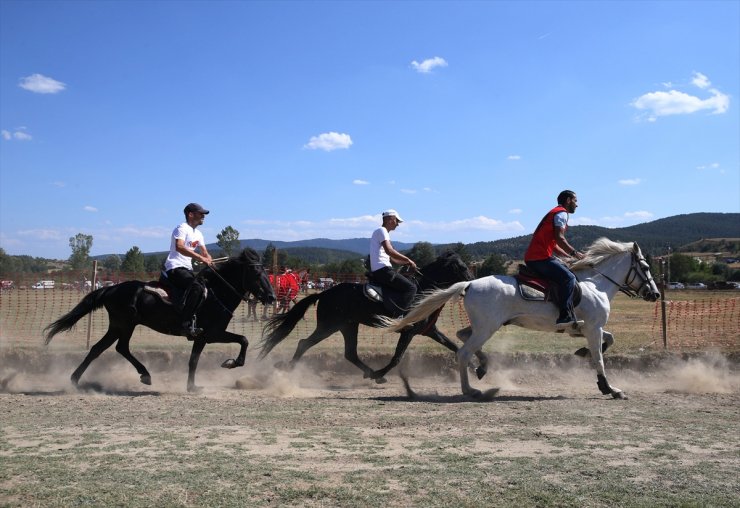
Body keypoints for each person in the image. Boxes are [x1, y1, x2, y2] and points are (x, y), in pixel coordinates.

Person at [524, 190, 586, 329]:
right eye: (575, 201)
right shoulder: (562, 213)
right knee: (569, 278)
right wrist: (575, 253)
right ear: (569, 200)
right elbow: (560, 237)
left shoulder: (554, 212)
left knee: (566, 272)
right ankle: (565, 316)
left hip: (535, 257)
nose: (577, 205)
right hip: (539, 258)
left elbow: (555, 244)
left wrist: (568, 256)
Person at [164, 202, 213, 337]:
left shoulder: (198, 234)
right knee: (197, 287)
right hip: (175, 267)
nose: (203, 216)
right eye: (200, 213)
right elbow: (179, 247)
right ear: (190, 214)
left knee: (205, 287)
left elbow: (205, 252)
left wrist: (208, 259)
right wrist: (199, 257)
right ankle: (185, 324)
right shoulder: (181, 228)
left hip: (187, 269)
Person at [369, 209, 418, 317]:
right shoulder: (382, 231)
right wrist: (408, 260)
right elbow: (390, 251)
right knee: (411, 288)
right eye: (397, 221)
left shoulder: (382, 232)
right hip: (383, 270)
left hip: (381, 269)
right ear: (390, 220)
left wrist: (406, 264)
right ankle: (398, 317)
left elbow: (392, 259)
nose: (398, 224)